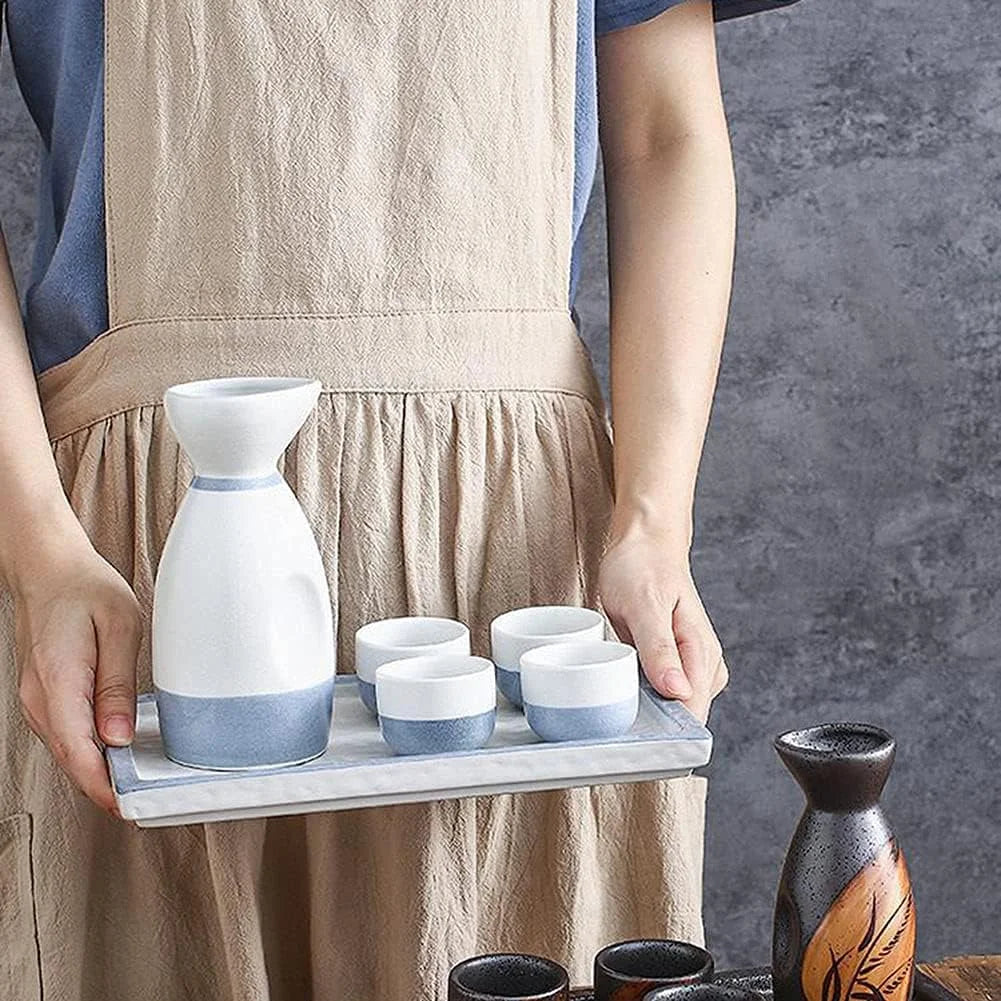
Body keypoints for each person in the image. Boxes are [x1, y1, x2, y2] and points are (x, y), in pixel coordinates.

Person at [0, 0, 734, 997]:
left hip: (510, 558)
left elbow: (665, 133)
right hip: (137, 572)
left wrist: (651, 520)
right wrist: (43, 552)